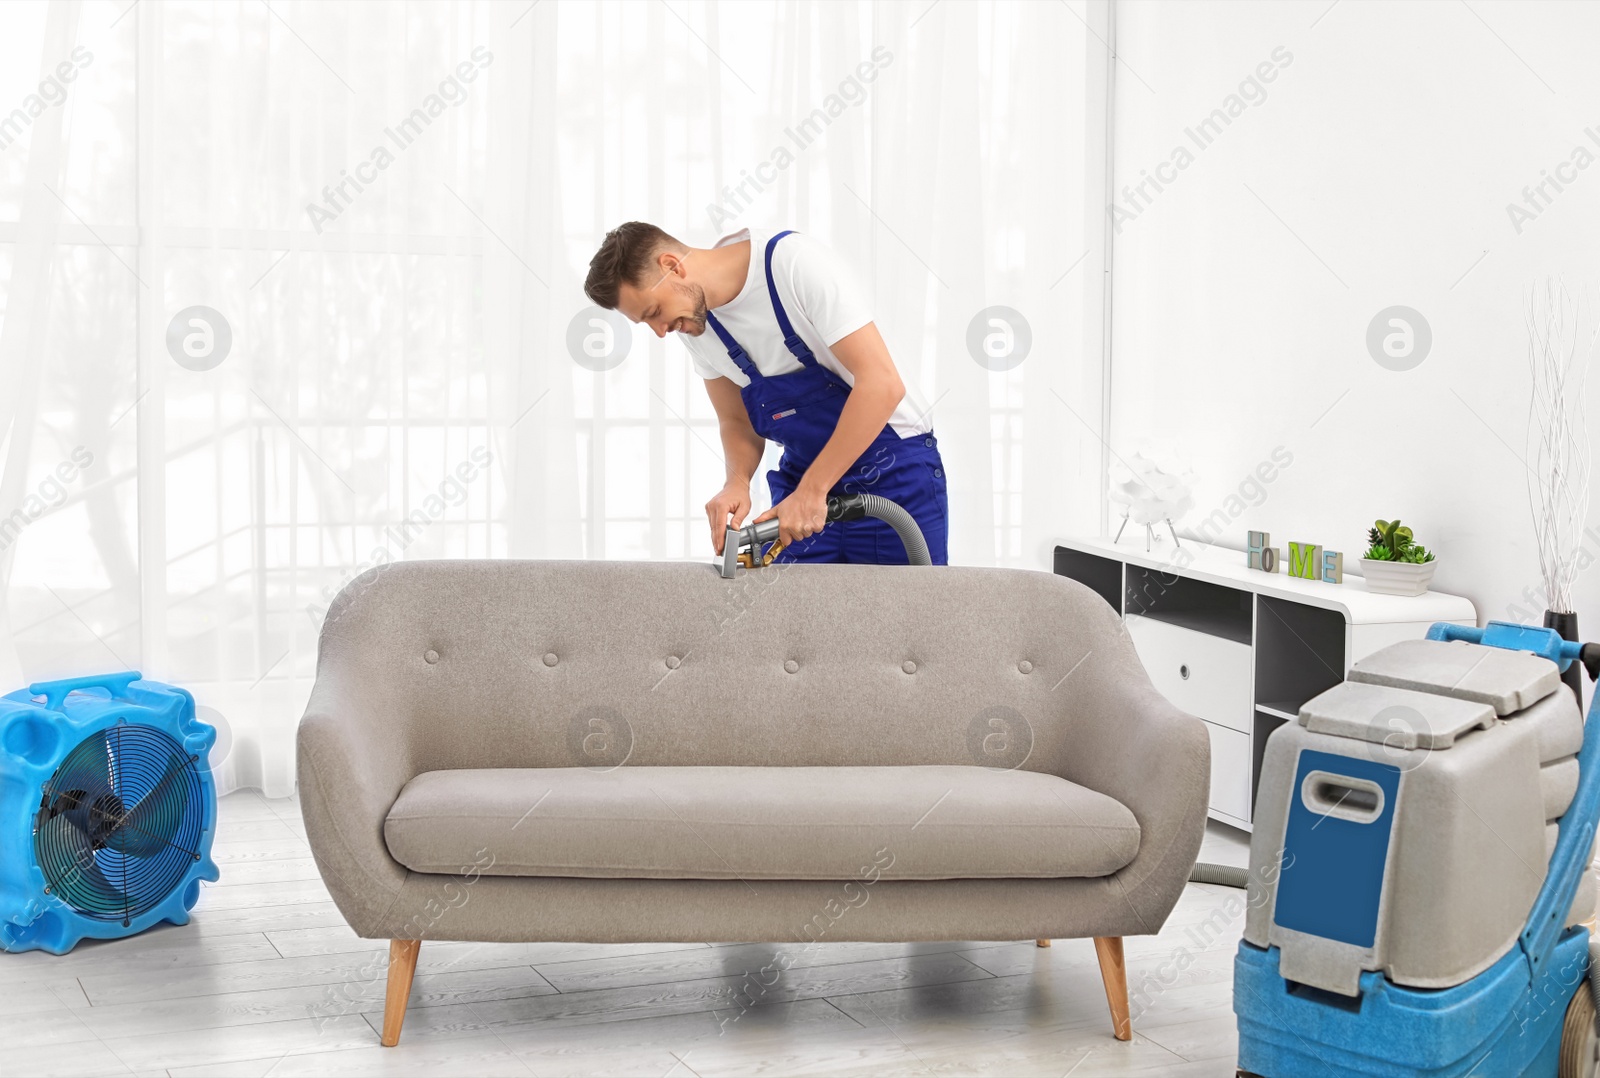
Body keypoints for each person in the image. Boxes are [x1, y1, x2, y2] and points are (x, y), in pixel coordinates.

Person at [583, 222, 948, 565]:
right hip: (802, 491)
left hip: (893, 475)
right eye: (645, 323)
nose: (660, 331)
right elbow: (736, 421)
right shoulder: (695, 324)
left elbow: (882, 385)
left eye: (653, 312)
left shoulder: (792, 266)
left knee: (907, 625)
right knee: (798, 629)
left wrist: (812, 491)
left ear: (672, 266)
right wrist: (736, 482)